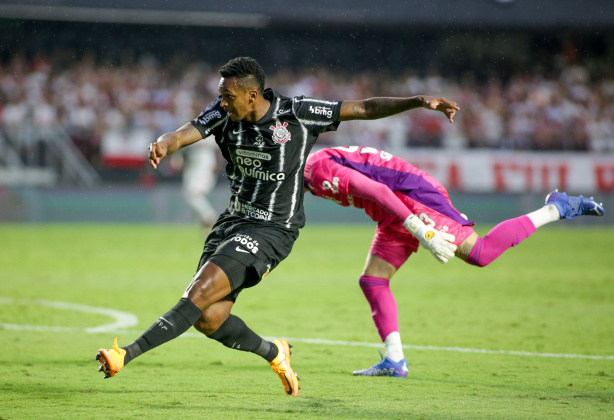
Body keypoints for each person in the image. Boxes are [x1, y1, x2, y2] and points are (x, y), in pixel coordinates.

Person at [95, 56, 460, 396]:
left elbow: (363, 108)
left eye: (228, 95)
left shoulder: (298, 113)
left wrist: (418, 101)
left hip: (272, 230)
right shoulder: (222, 113)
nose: (222, 102)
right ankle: (275, 351)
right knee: (208, 318)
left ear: (252, 94)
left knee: (197, 294)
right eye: (220, 95)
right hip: (232, 221)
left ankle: (125, 354)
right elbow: (183, 133)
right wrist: (163, 143)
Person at [303, 145, 605, 377]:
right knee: (373, 280)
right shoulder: (308, 171)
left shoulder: (315, 170)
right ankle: (394, 360)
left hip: (411, 197)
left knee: (480, 254)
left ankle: (556, 208)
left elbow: (378, 189)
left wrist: (418, 227)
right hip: (391, 211)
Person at [181, 139, 220, 228]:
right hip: (192, 166)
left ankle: (210, 217)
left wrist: (218, 165)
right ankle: (205, 224)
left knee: (193, 195)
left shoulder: (209, 130)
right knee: (189, 195)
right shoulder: (188, 129)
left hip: (205, 167)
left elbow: (218, 149)